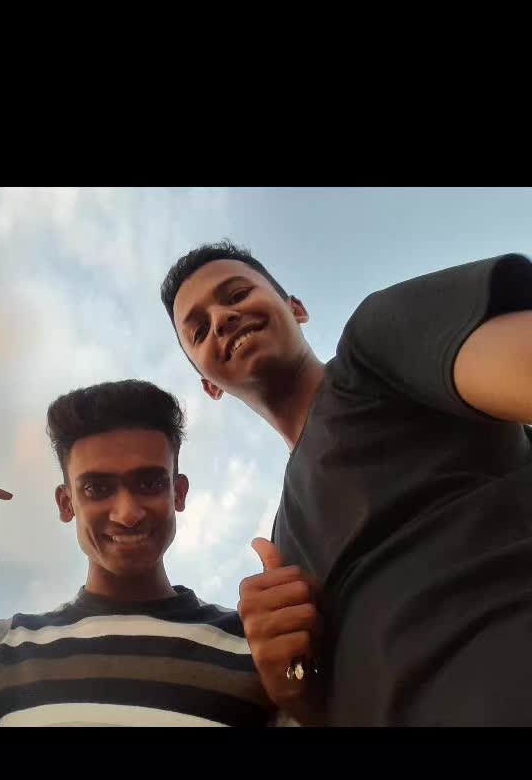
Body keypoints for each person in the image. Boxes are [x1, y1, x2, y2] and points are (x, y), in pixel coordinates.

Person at [161, 239, 532, 726]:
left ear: (296, 308)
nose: (221, 319)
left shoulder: (376, 347)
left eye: (237, 294)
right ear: (210, 385)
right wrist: (289, 682)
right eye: (199, 329)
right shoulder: (281, 545)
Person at [0, 379, 319, 727]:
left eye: (149, 482)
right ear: (65, 503)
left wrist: (300, 688)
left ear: (178, 492)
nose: (127, 512)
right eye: (97, 488)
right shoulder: (10, 648)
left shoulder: (253, 645)